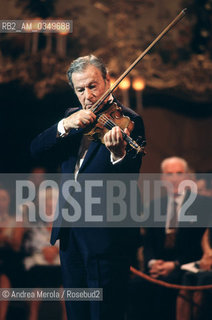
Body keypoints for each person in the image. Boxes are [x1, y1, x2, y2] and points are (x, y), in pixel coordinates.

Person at [30, 55, 145, 320]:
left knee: (105, 312)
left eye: (93, 86)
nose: (88, 95)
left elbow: (130, 176)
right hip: (70, 233)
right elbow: (35, 150)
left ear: (107, 80)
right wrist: (63, 126)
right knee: (76, 311)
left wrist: (119, 153)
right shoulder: (72, 118)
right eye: (80, 89)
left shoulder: (128, 119)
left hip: (107, 235)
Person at [128, 156, 210, 320]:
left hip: (186, 265)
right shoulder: (153, 205)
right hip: (157, 266)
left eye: (179, 174)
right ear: (163, 179)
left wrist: (174, 265)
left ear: (187, 177)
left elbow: (200, 244)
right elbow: (148, 241)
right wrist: (152, 263)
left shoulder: (204, 205)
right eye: (169, 174)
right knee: (134, 286)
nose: (174, 179)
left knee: (166, 289)